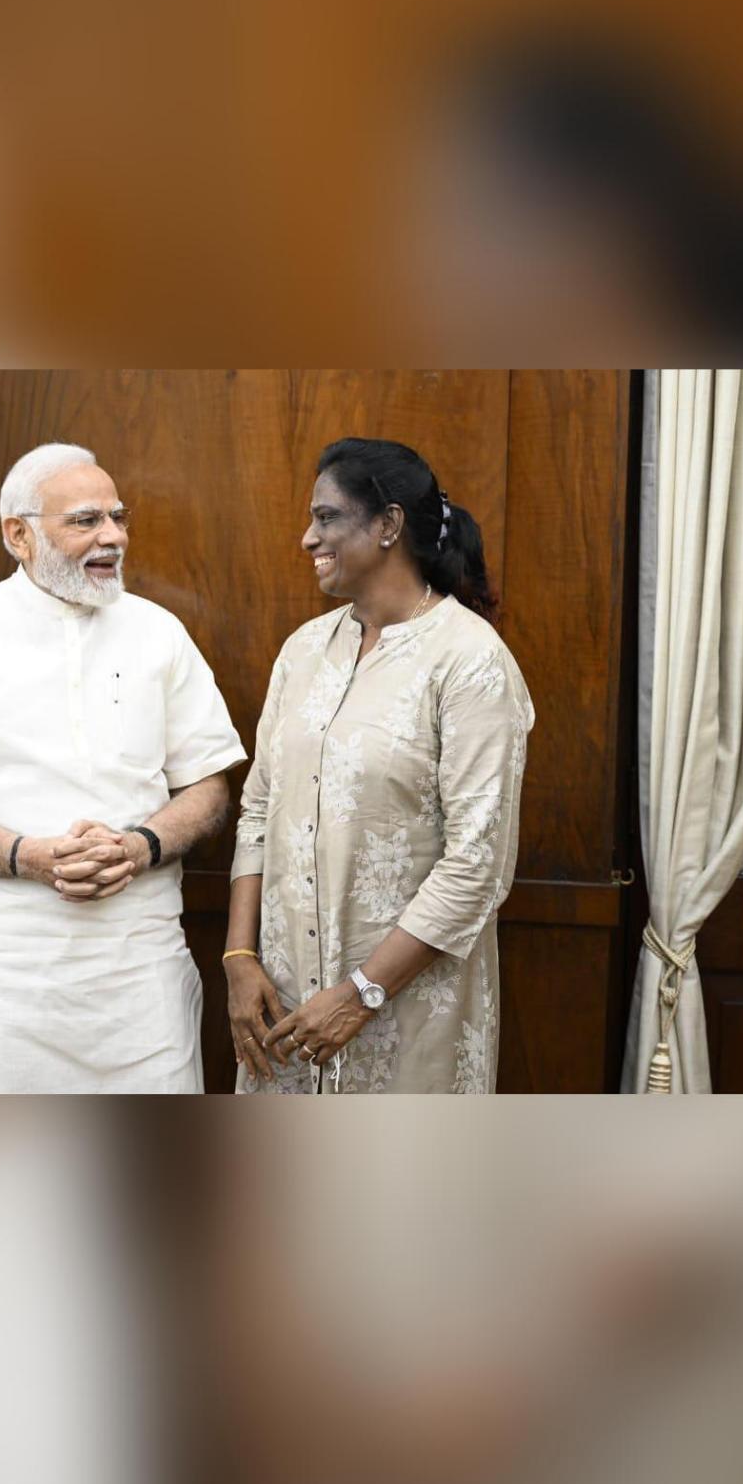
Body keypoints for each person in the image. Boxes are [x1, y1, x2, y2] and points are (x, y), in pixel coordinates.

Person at [0, 441, 246, 1094]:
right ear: (19, 535)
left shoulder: (160, 632)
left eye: (118, 518)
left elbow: (210, 785)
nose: (114, 537)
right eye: (86, 521)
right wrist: (27, 856)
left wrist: (140, 846)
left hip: (137, 980)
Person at [225, 437, 534, 1094]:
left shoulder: (470, 661)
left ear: (389, 525)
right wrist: (239, 958)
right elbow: (259, 808)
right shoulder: (304, 650)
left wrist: (362, 993)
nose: (309, 538)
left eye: (327, 517)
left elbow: (477, 862)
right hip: (282, 1014)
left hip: (405, 1015)